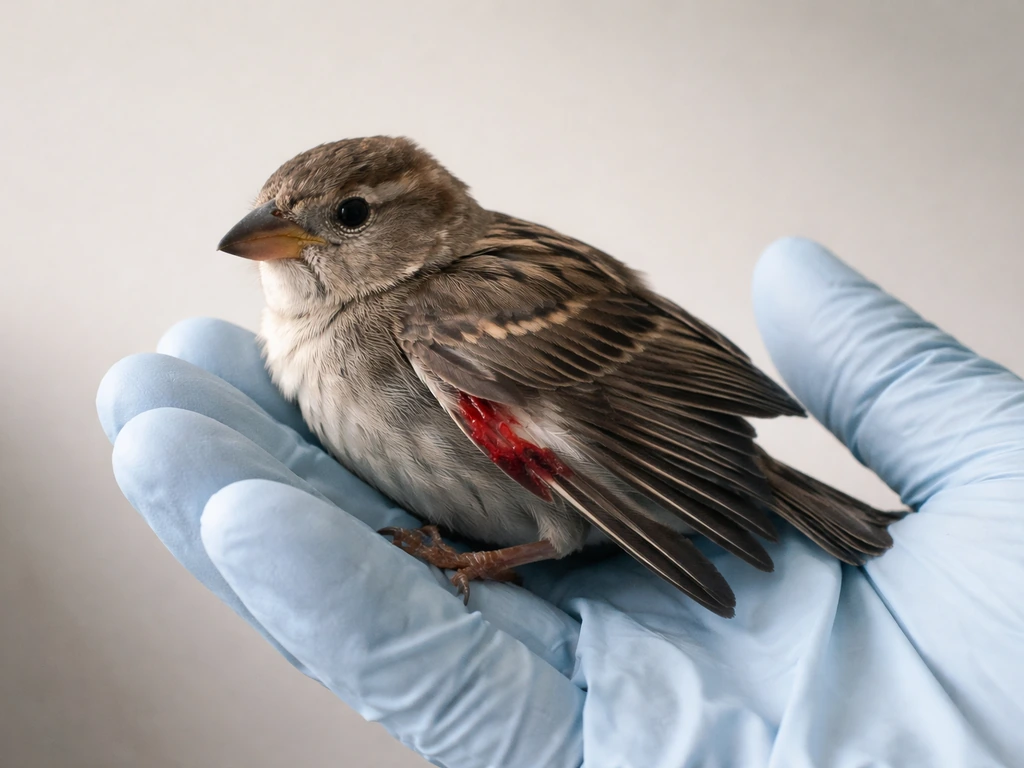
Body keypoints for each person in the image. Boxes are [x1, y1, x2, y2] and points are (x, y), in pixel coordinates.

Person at [97, 238, 1024, 767]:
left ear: (410, 226)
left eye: (345, 219)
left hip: (631, 431)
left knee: (563, 498)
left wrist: (485, 559)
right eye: (284, 222)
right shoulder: (326, 329)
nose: (290, 242)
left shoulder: (434, 309)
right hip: (604, 454)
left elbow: (598, 422)